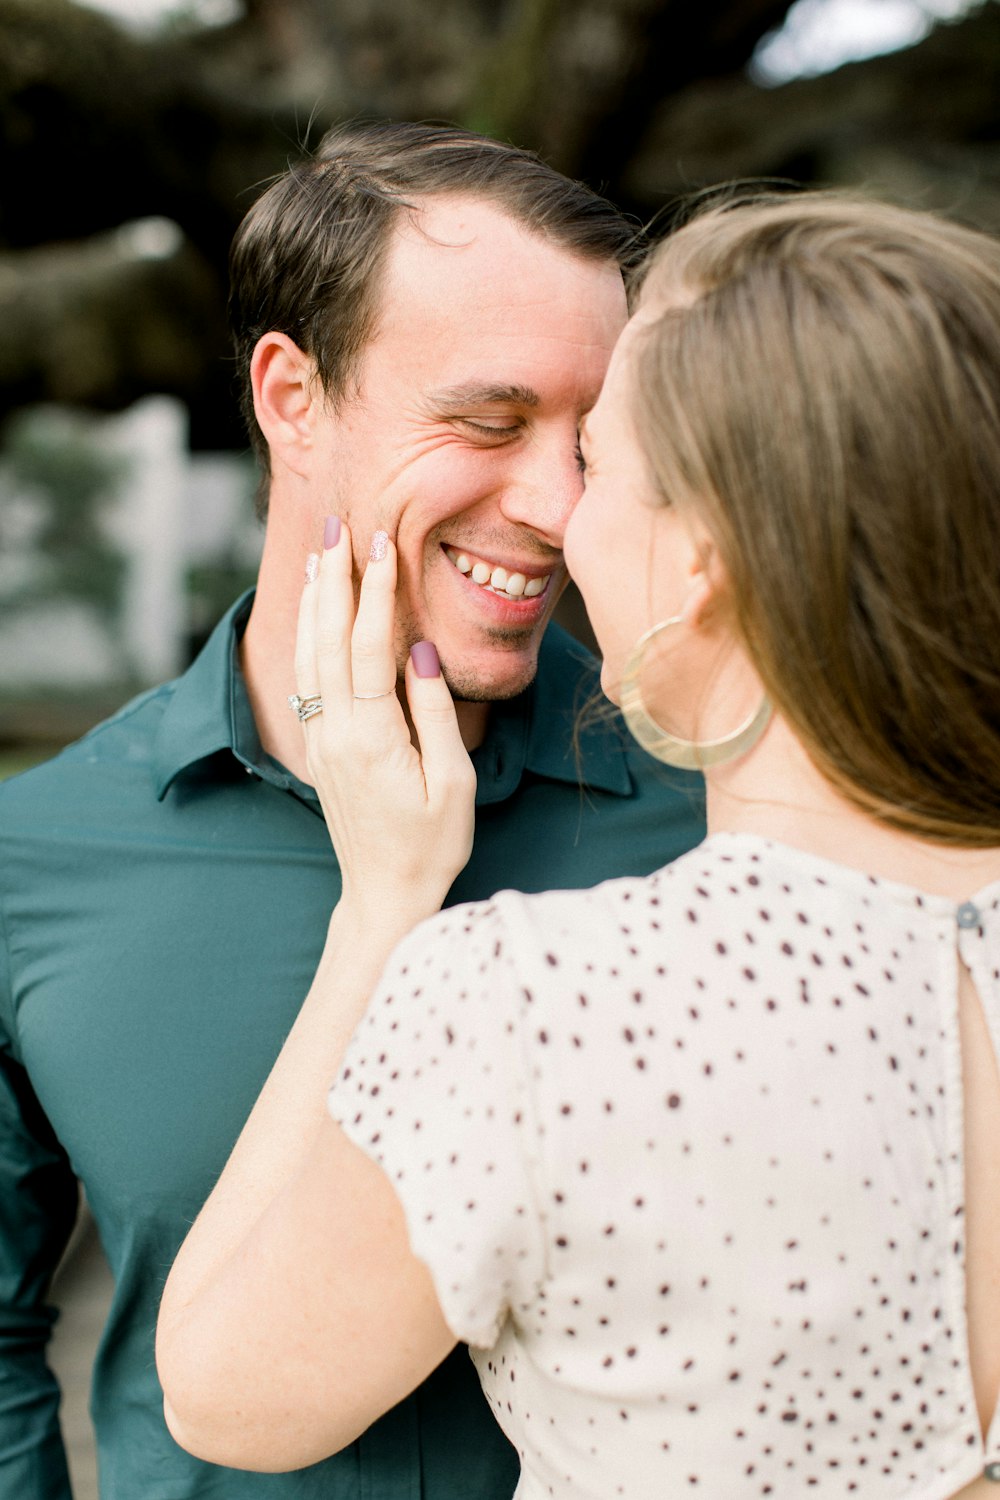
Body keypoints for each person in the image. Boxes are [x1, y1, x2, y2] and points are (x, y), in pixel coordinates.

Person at [157, 190, 1000, 1500]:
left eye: (599, 461)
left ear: (706, 556)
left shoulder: (540, 1006)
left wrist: (382, 906)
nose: (561, 513)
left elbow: (220, 1393)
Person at [0, 123, 706, 1500]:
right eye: (491, 422)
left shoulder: (726, 820)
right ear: (291, 397)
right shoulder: (34, 858)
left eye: (596, 439)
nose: (559, 505)